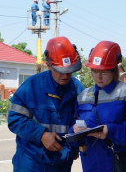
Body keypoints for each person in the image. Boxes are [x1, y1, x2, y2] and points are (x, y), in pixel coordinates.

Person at [69, 41, 126, 172]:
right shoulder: (83, 96)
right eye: (94, 72)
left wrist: (110, 131)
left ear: (114, 71)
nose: (98, 77)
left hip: (118, 162)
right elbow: (74, 127)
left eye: (104, 72)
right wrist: (74, 132)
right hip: (91, 164)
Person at [8, 36, 85, 172]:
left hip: (62, 163)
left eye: (69, 70)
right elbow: (14, 120)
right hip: (30, 162)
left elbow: (81, 123)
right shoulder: (31, 87)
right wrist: (41, 135)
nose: (66, 76)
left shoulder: (78, 90)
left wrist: (75, 146)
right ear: (48, 65)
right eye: (61, 71)